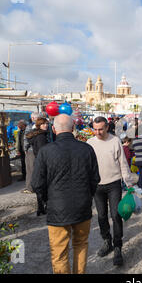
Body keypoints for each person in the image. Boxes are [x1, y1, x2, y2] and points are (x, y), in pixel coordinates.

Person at [31, 114, 100, 274]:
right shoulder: (87, 149)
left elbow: (36, 184)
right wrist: (87, 195)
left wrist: (48, 199)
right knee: (81, 245)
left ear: (54, 130)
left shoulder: (46, 151)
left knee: (59, 252)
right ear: (74, 128)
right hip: (82, 205)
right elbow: (95, 179)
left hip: (57, 208)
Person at [87, 116, 135, 266]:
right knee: (101, 216)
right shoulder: (89, 143)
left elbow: (123, 163)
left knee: (116, 215)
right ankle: (107, 241)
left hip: (114, 183)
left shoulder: (115, 141)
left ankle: (118, 246)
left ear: (107, 127)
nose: (98, 132)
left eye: (100, 129)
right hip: (97, 186)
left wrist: (128, 183)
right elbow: (87, 166)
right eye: (95, 129)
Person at [23, 112, 40, 194]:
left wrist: (25, 148)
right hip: (39, 149)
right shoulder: (44, 125)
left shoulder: (30, 126)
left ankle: (30, 188)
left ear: (33, 118)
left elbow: (26, 138)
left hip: (31, 150)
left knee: (30, 169)